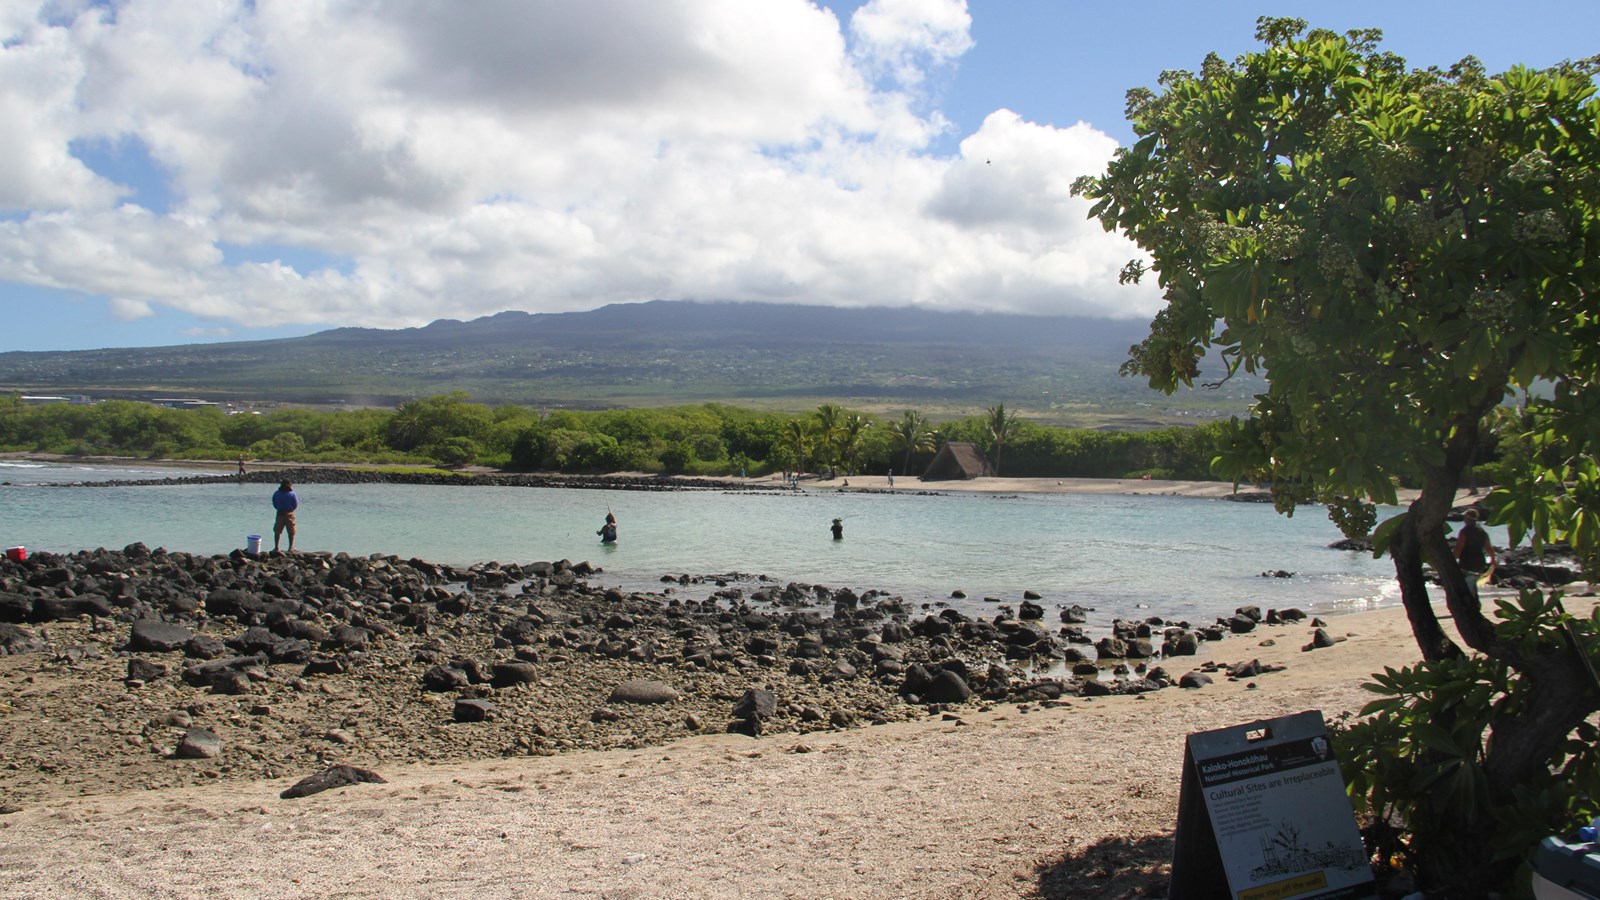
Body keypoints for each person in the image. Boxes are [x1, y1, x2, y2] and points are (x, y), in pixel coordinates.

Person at [1453, 508, 1495, 593]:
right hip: (1479, 562)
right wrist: (1493, 559)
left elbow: (1459, 547)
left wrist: (1452, 560)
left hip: (1467, 562)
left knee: (1468, 586)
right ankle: (1474, 601)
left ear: (1466, 518)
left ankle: (1471, 602)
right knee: (1473, 584)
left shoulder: (1464, 531)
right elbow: (1488, 547)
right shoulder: (1482, 531)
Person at [271, 481, 298, 552]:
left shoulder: (277, 493)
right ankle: (284, 547)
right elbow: (295, 504)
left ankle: (281, 547)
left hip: (282, 513)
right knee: (287, 531)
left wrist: (279, 508)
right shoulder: (291, 494)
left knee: (283, 531)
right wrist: (290, 510)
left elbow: (274, 503)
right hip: (286, 514)